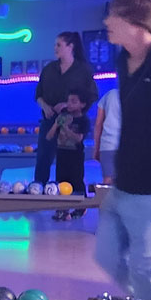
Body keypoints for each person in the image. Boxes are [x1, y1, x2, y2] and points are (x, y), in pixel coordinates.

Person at [94, 0, 151, 300]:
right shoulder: (123, 60)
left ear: (136, 23)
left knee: (145, 267)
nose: (106, 23)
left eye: (113, 16)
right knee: (106, 255)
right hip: (125, 181)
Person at [33, 31, 97, 184]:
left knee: (71, 161)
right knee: (43, 157)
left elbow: (92, 95)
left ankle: (74, 195)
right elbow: (38, 95)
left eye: (59, 45)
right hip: (50, 121)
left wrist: (71, 108)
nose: (55, 48)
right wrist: (46, 107)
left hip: (73, 123)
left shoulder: (83, 70)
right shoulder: (49, 69)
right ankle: (38, 189)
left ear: (71, 47)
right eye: (55, 45)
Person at [47, 89, 91, 220]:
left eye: (74, 101)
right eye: (68, 101)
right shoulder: (63, 117)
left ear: (82, 104)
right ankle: (62, 209)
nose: (69, 104)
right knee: (61, 182)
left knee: (77, 182)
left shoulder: (83, 120)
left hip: (75, 156)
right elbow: (49, 136)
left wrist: (65, 128)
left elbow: (78, 139)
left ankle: (80, 208)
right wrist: (56, 124)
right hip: (61, 154)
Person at [93, 87, 121, 185]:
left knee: (108, 181)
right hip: (128, 146)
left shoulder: (109, 95)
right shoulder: (136, 94)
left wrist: (96, 149)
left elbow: (98, 124)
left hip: (107, 144)